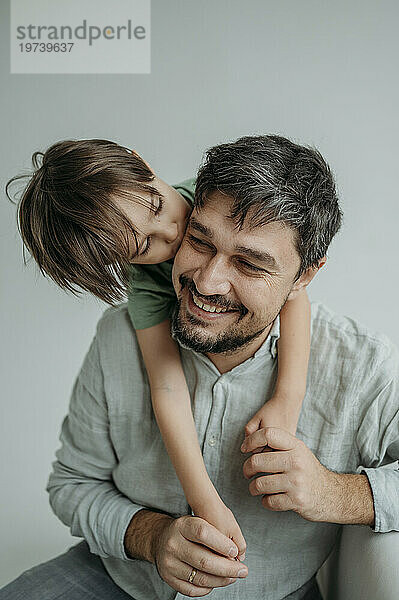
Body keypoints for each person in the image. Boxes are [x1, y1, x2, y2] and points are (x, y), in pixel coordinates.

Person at [2, 134, 398, 600]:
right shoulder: (126, 324)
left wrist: (333, 491)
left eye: (250, 264)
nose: (209, 282)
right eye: (199, 240)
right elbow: (74, 482)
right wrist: (152, 536)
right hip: (119, 580)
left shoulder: (360, 364)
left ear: (305, 275)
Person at [6, 137, 311, 559]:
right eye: (145, 245)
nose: (173, 231)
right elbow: (167, 389)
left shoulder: (216, 203)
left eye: (155, 207)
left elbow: (292, 292)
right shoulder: (146, 285)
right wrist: (205, 502)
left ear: (140, 161)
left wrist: (287, 398)